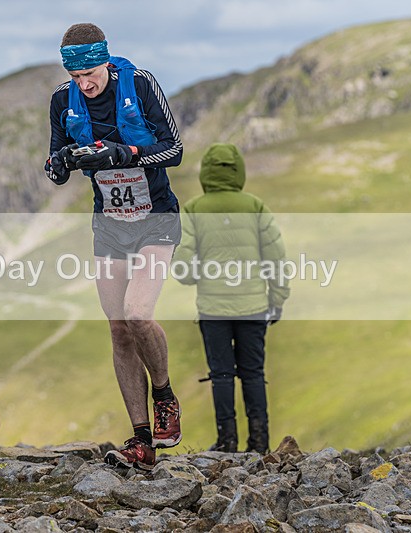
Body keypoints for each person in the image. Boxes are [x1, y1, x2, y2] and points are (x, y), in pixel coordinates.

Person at [45, 23, 184, 469]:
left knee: (138, 313)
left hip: (156, 217)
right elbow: (56, 161)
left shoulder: (139, 84)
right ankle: (141, 441)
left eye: (90, 73)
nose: (84, 84)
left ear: (105, 61)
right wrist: (60, 164)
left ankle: (164, 396)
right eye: (75, 76)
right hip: (109, 224)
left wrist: (125, 154)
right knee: (119, 328)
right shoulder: (62, 100)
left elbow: (174, 150)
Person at [174, 143, 290, 454]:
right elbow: (276, 257)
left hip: (213, 310)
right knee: (254, 373)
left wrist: (203, 275)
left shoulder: (194, 209)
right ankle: (260, 442)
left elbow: (182, 267)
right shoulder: (255, 206)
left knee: (222, 375)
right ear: (239, 171)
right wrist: (278, 298)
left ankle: (226, 442)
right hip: (254, 307)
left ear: (206, 172)